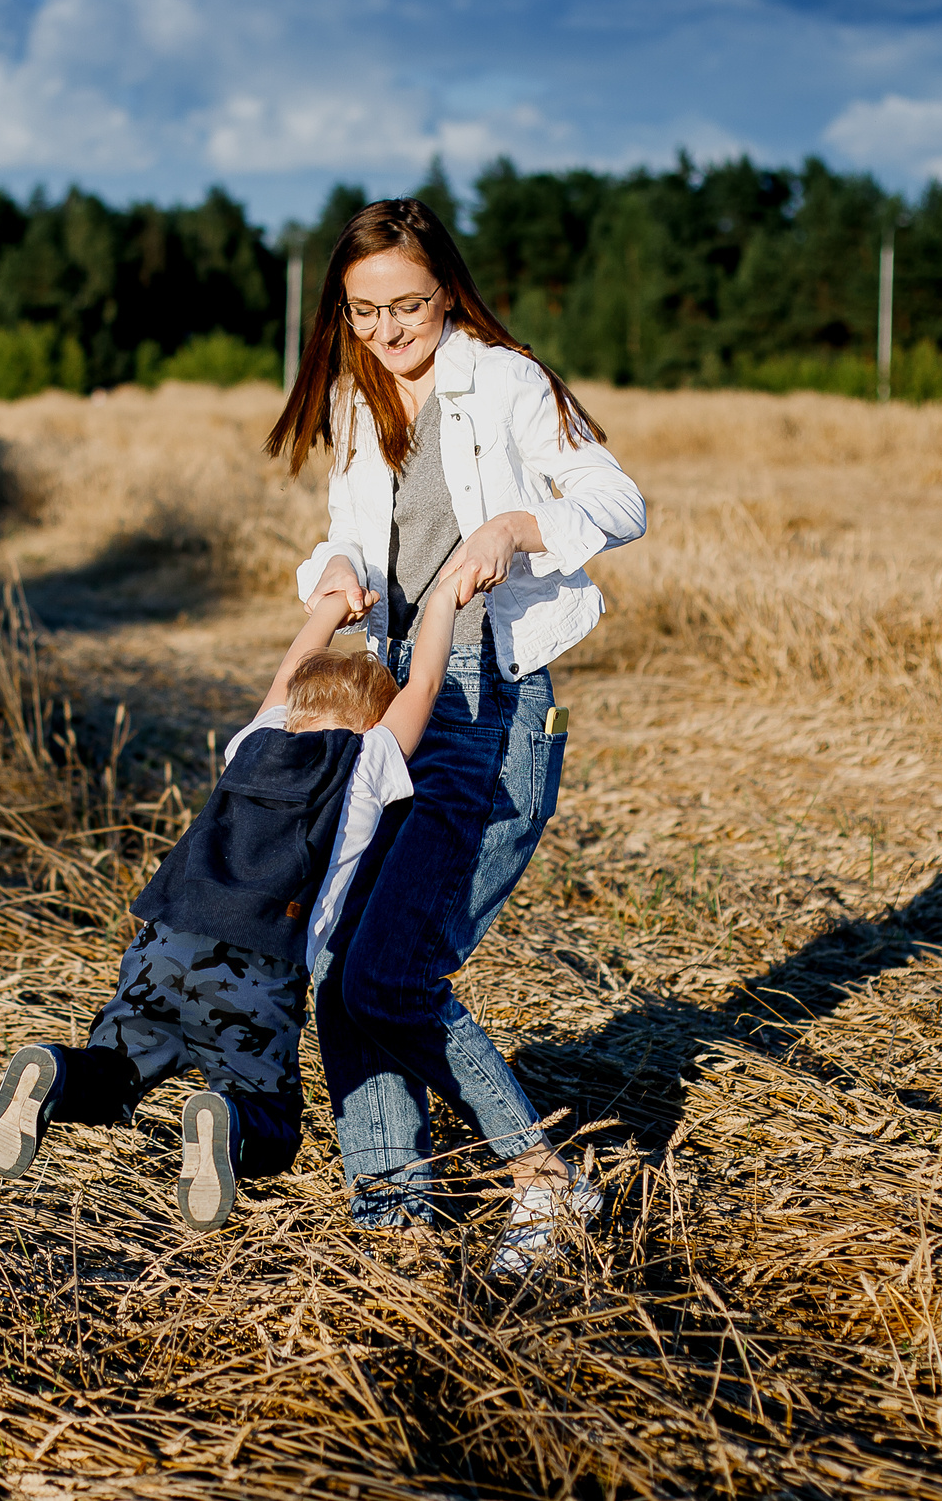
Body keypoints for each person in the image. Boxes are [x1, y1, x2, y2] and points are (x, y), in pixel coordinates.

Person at [264, 196, 646, 1272]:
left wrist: (521, 528)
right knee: (337, 965)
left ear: (447, 290)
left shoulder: (504, 381)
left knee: (392, 975)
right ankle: (394, 1230)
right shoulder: (355, 401)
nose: (387, 331)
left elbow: (617, 499)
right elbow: (352, 536)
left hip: (493, 706)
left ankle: (546, 1182)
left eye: (408, 306)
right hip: (395, 695)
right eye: (362, 310)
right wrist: (333, 572)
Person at [0, 574, 467, 1229]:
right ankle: (226, 1120)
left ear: (293, 710)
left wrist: (328, 611)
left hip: (163, 942)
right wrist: (442, 601)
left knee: (117, 1071)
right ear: (375, 721)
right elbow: (427, 685)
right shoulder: (369, 760)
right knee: (271, 1119)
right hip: (258, 970)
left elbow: (284, 676)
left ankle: (58, 1075)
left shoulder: (254, 742)